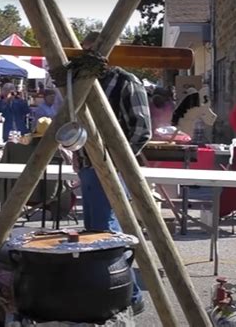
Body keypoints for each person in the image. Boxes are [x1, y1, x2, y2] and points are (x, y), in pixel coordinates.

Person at [75, 31, 152, 314]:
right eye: (84, 51)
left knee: (107, 235)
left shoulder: (126, 82)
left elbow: (142, 130)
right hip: (88, 167)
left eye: (91, 50)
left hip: (110, 169)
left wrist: (113, 162)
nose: (87, 56)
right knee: (95, 235)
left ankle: (130, 297)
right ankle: (112, 295)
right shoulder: (86, 81)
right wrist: (78, 154)